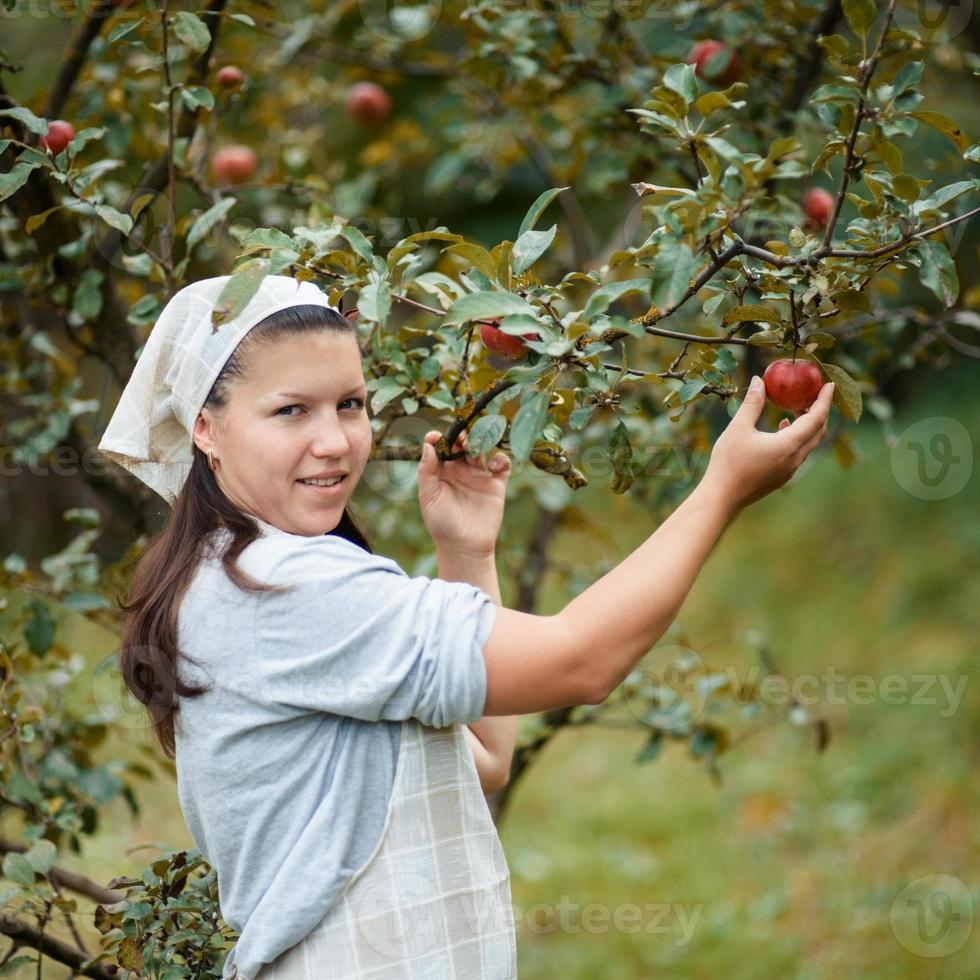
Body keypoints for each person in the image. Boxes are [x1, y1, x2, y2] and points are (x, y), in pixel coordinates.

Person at [98, 274, 834, 980]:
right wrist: (723, 489)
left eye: (350, 404)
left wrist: (466, 551)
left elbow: (483, 754)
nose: (334, 441)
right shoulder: (281, 587)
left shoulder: (230, 570)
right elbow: (582, 662)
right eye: (291, 411)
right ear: (206, 426)